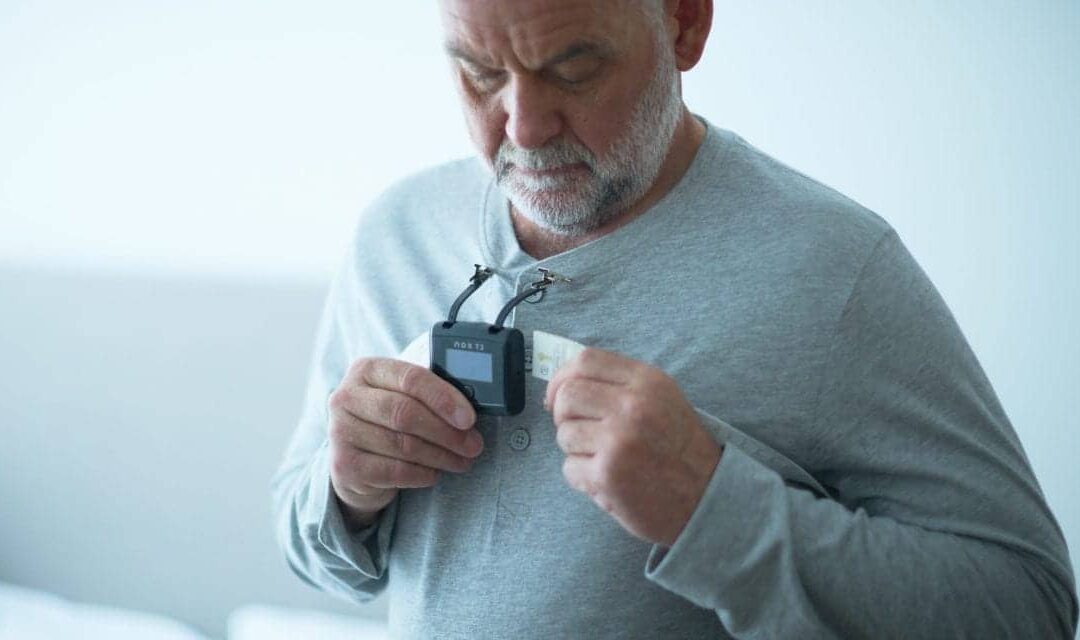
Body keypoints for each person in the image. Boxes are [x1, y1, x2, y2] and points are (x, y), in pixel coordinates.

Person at [271, 1, 1078, 637]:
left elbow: (1029, 609)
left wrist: (713, 511)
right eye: (480, 73)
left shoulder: (836, 271)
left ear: (685, 21)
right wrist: (345, 491)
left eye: (573, 67)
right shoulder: (395, 236)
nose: (523, 129)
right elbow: (314, 551)